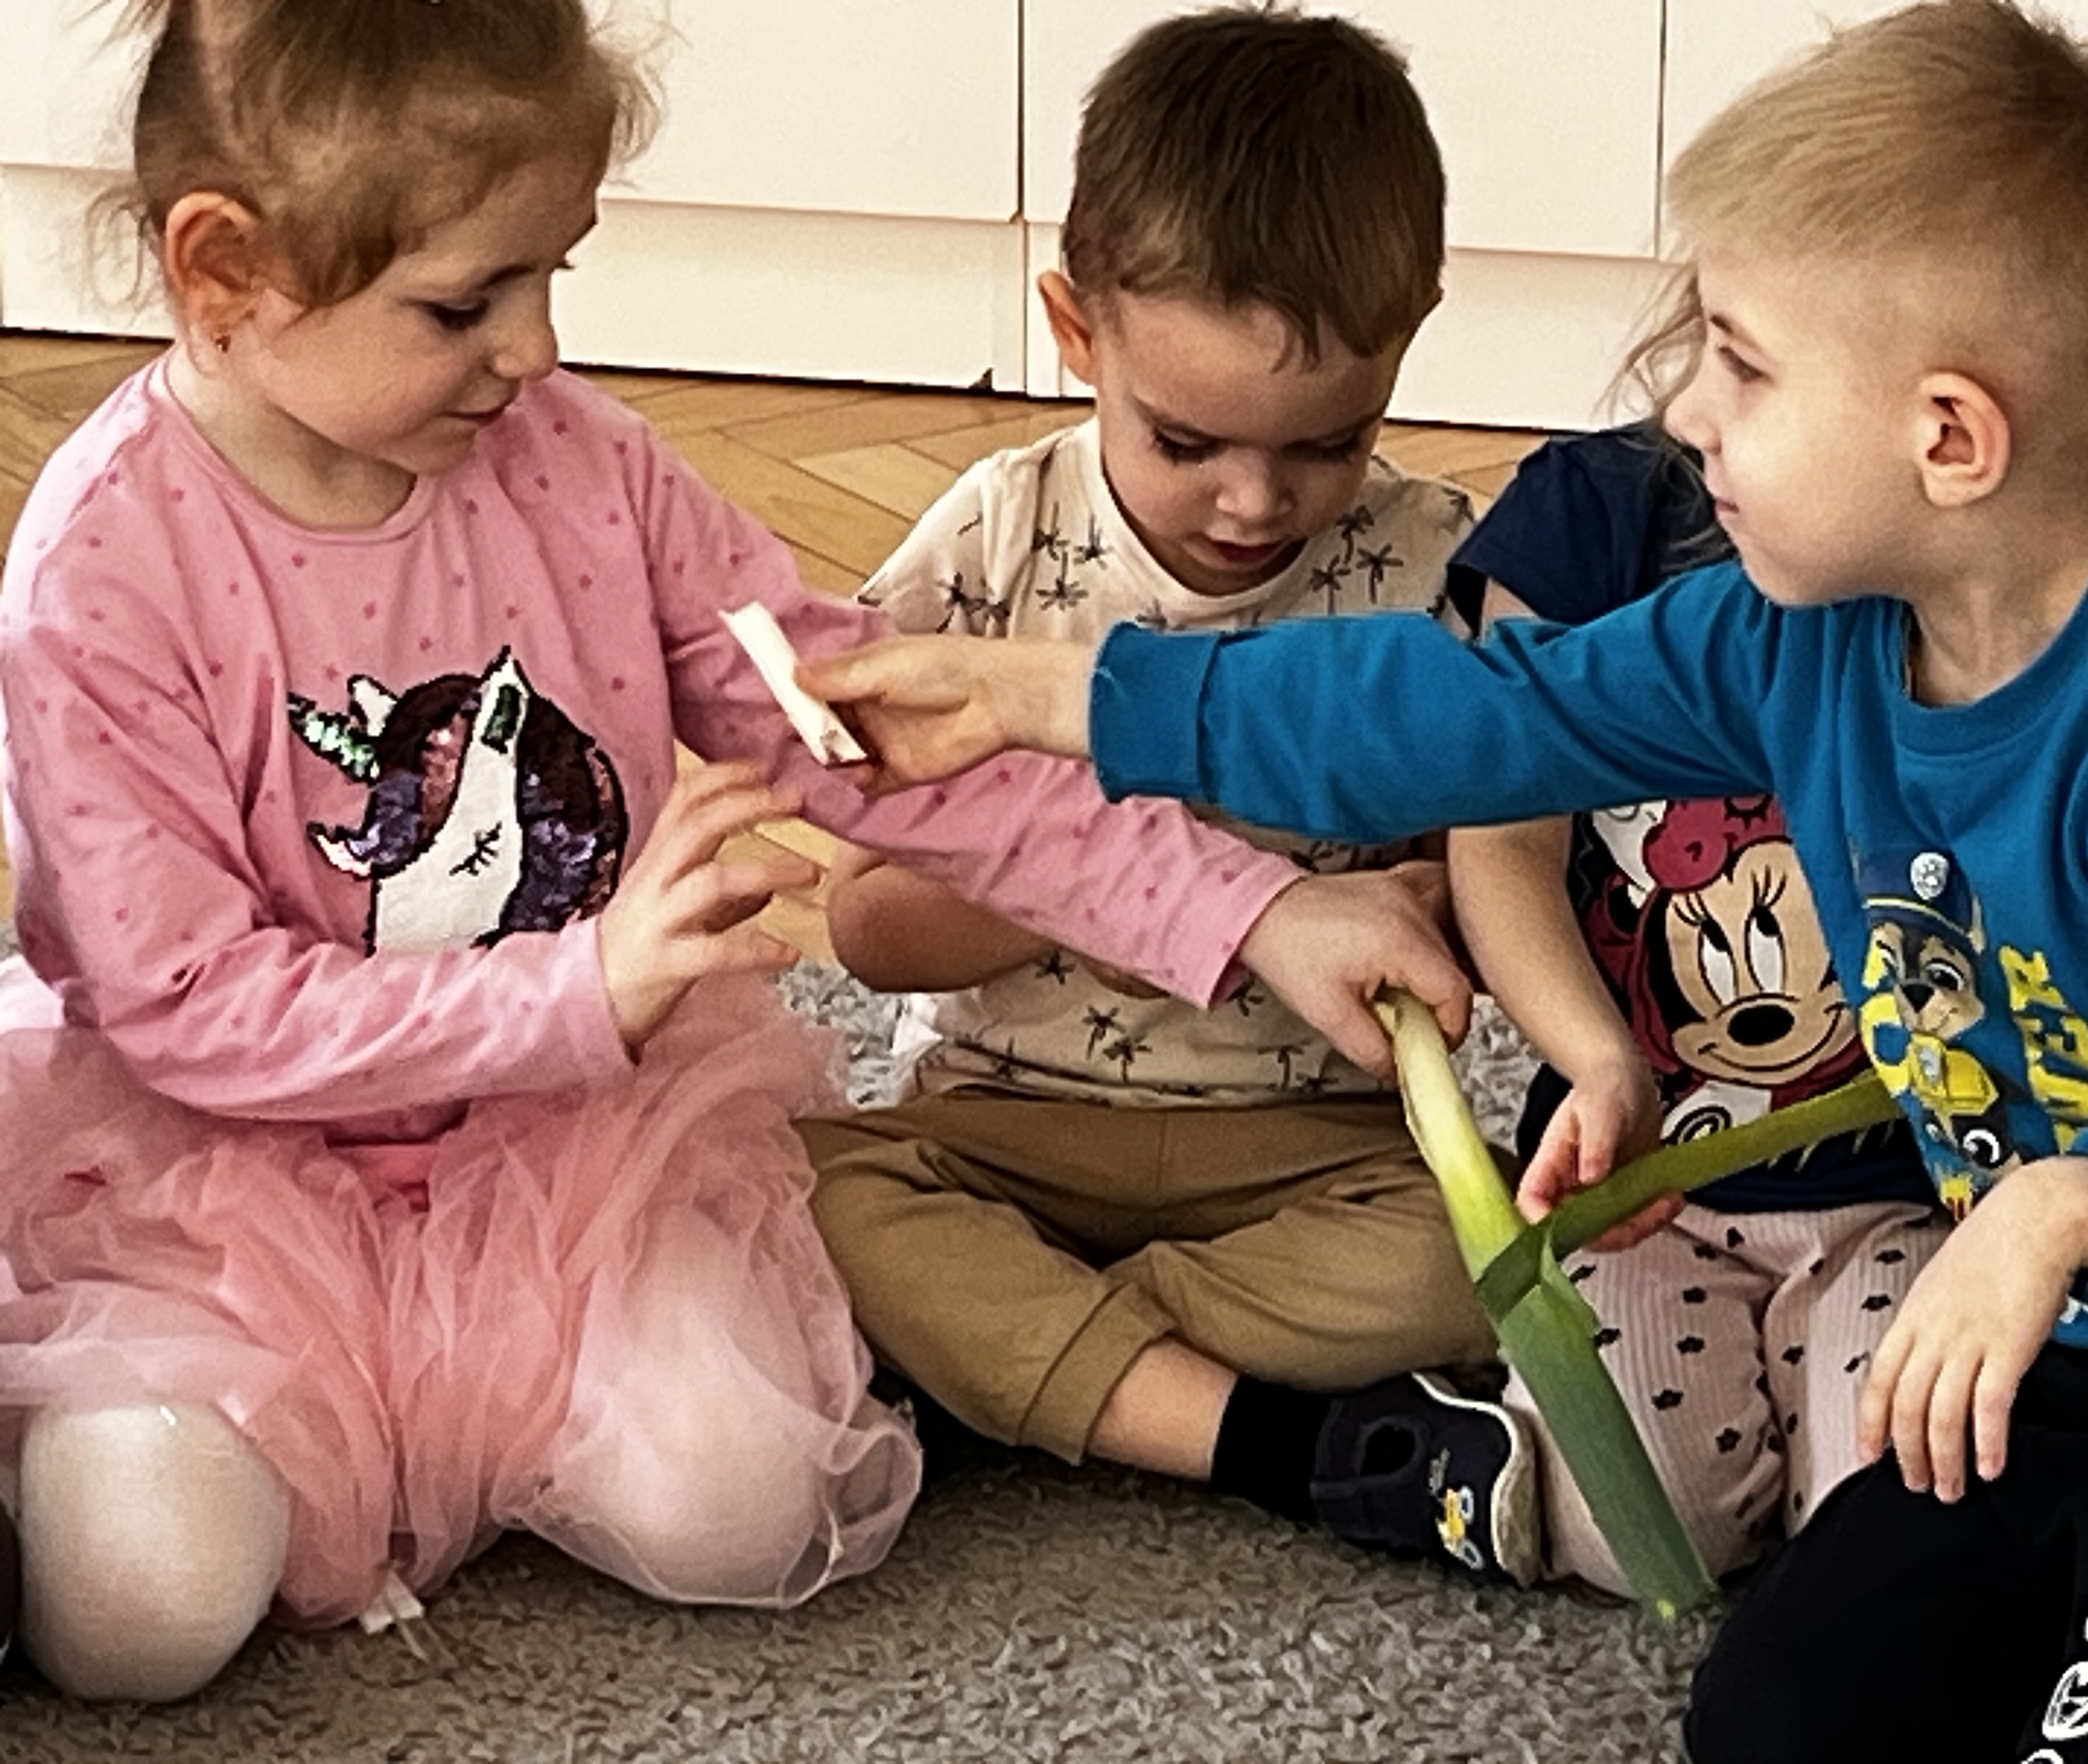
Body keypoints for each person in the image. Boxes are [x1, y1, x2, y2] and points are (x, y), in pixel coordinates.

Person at [803, 2, 2088, 1754]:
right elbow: (1463, 716)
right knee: (1774, 1722)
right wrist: (1058, 699)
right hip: (2046, 1367)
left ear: (1947, 441)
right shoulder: (1799, 639)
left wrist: (2075, 1208)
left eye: (1744, 367)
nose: (1684, 409)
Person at [0, 0, 1471, 1704]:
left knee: (744, 1508)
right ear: (225, 270)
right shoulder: (102, 570)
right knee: (141, 1606)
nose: (536, 349)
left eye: (556, 272)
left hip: (565, 1152)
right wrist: (580, 989)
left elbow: (889, 742)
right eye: (466, 303)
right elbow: (186, 1005)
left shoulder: (582, 470)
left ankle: (472, 1420)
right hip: (227, 1184)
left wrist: (1253, 907)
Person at [798, 5, 1540, 1590]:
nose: (1255, 502)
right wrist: (1107, 896)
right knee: (799, 1197)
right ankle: (1217, 1416)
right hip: (1003, 1126)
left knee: (1477, 1265)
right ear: (1076, 330)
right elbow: (868, 931)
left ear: (1414, 331)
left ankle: (1035, 1364)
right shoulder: (993, 547)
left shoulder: (1440, 570)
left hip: (1309, 1147)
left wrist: (1445, 908)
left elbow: (1501, 889)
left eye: (1328, 443)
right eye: (1188, 440)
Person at [1446, 422, 1943, 1591]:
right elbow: (1503, 844)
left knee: (1896, 1528)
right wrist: (1600, 1063)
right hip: (1639, 1198)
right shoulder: (1593, 512)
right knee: (1630, 1532)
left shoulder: (1974, 530)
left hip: (1905, 1194)